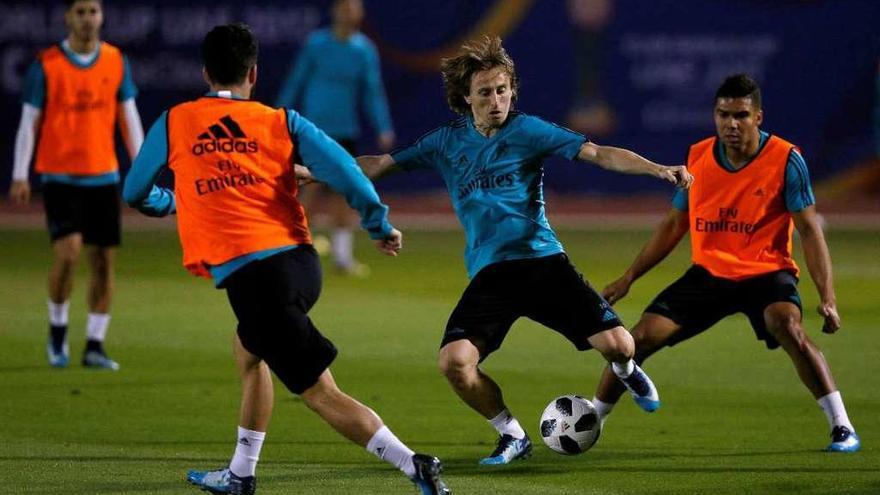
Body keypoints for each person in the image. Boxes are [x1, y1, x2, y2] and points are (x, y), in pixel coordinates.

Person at [123, 23, 450, 495]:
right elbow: (342, 168)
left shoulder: (176, 120)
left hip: (259, 281)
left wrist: (175, 201)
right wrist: (377, 224)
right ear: (253, 73)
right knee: (247, 350)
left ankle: (414, 464)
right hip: (300, 264)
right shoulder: (281, 120)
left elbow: (135, 190)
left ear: (204, 72)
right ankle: (240, 472)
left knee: (320, 393)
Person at [351, 36, 692, 465]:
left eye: (502, 90)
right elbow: (380, 163)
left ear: (512, 90)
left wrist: (657, 169)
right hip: (492, 274)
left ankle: (627, 371)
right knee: (455, 363)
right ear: (464, 98)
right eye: (485, 93)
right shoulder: (444, 143)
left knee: (621, 346)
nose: (496, 100)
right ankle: (512, 434)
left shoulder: (529, 130)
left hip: (543, 263)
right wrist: (319, 169)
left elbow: (599, 154)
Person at [591, 74, 861, 453]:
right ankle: (591, 421)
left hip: (767, 273)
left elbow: (810, 231)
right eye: (723, 114)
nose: (731, 124)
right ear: (714, 115)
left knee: (786, 325)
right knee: (636, 341)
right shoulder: (697, 156)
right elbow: (673, 225)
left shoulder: (786, 159)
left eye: (741, 115)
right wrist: (629, 277)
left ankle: (842, 425)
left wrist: (827, 297)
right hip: (710, 276)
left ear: (758, 117)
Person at [9, 0, 143, 370]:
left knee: (102, 261)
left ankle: (95, 344)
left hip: (104, 175)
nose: (87, 18)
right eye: (80, 11)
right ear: (68, 17)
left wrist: (142, 169)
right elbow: (29, 121)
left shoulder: (116, 60)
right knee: (68, 253)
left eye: (93, 11)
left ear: (102, 16)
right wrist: (20, 173)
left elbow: (128, 118)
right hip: (59, 176)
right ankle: (57, 331)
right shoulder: (47, 64)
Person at [275, 0, 395, 277]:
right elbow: (297, 80)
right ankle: (288, 252)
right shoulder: (316, 44)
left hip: (345, 132)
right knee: (307, 191)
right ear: (335, 11)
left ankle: (342, 257)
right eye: (345, 7)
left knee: (345, 193)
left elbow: (372, 91)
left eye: (354, 7)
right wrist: (277, 118)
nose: (349, 12)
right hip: (313, 131)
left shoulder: (364, 49)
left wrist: (383, 127)